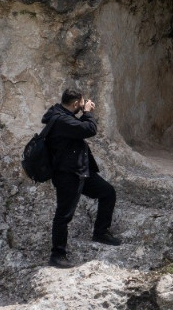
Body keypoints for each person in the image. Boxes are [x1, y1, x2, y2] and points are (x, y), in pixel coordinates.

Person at [43, 88, 121, 268]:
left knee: (107, 192)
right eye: (81, 102)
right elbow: (89, 129)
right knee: (64, 215)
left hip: (80, 171)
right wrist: (87, 113)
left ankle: (101, 232)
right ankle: (57, 255)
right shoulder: (61, 120)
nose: (84, 104)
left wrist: (84, 113)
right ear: (76, 103)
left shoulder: (64, 115)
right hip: (67, 175)